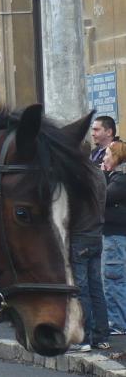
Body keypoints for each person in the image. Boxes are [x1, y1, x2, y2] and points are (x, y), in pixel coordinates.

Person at [68, 145, 110, 352]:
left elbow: (70, 208)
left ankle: (84, 338)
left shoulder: (77, 177)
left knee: (81, 289)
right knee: (96, 289)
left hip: (79, 236)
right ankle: (101, 337)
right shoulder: (99, 174)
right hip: (96, 235)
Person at [102, 140, 126, 336]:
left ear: (117, 157)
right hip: (116, 237)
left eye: (107, 154)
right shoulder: (117, 177)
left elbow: (103, 197)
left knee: (113, 280)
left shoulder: (120, 179)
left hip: (115, 238)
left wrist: (102, 174)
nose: (104, 158)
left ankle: (118, 323)